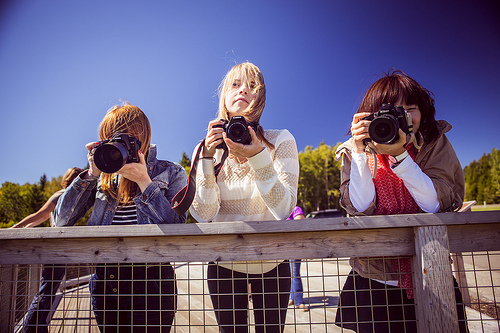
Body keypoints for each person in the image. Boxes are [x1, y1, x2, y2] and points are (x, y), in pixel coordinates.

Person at [334, 70, 468, 333]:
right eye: (391, 110)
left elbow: (436, 203)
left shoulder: (434, 142)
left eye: (410, 108)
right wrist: (360, 152)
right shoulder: (355, 148)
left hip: (431, 270)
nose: (403, 116)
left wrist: (400, 157)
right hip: (373, 279)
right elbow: (360, 207)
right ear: (370, 115)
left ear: (424, 111)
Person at [54, 103, 187, 332]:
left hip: (153, 279)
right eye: (111, 139)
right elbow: (60, 221)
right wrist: (91, 173)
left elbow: (176, 227)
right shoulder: (101, 177)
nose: (119, 146)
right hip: (107, 280)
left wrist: (145, 183)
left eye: (127, 138)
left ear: (142, 138)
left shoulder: (171, 172)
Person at [189, 62, 299, 332]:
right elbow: (203, 214)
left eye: (252, 86)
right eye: (235, 85)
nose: (243, 91)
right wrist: (206, 159)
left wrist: (258, 155)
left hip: (273, 261)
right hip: (223, 263)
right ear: (224, 96)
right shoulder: (205, 149)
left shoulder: (280, 140)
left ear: (260, 97)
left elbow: (284, 208)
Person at [12, 167, 83, 333]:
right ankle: (31, 328)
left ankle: (39, 326)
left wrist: (26, 228)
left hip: (59, 249)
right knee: (46, 290)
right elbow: (42, 214)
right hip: (55, 249)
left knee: (48, 289)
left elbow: (43, 217)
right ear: (74, 179)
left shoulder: (72, 196)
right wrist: (17, 227)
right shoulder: (62, 194)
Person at [287, 206, 309, 312]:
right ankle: (292, 298)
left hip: (294, 247)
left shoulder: (295, 209)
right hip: (282, 248)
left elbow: (300, 224)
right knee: (289, 275)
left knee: (295, 274)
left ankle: (299, 301)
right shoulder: (281, 210)